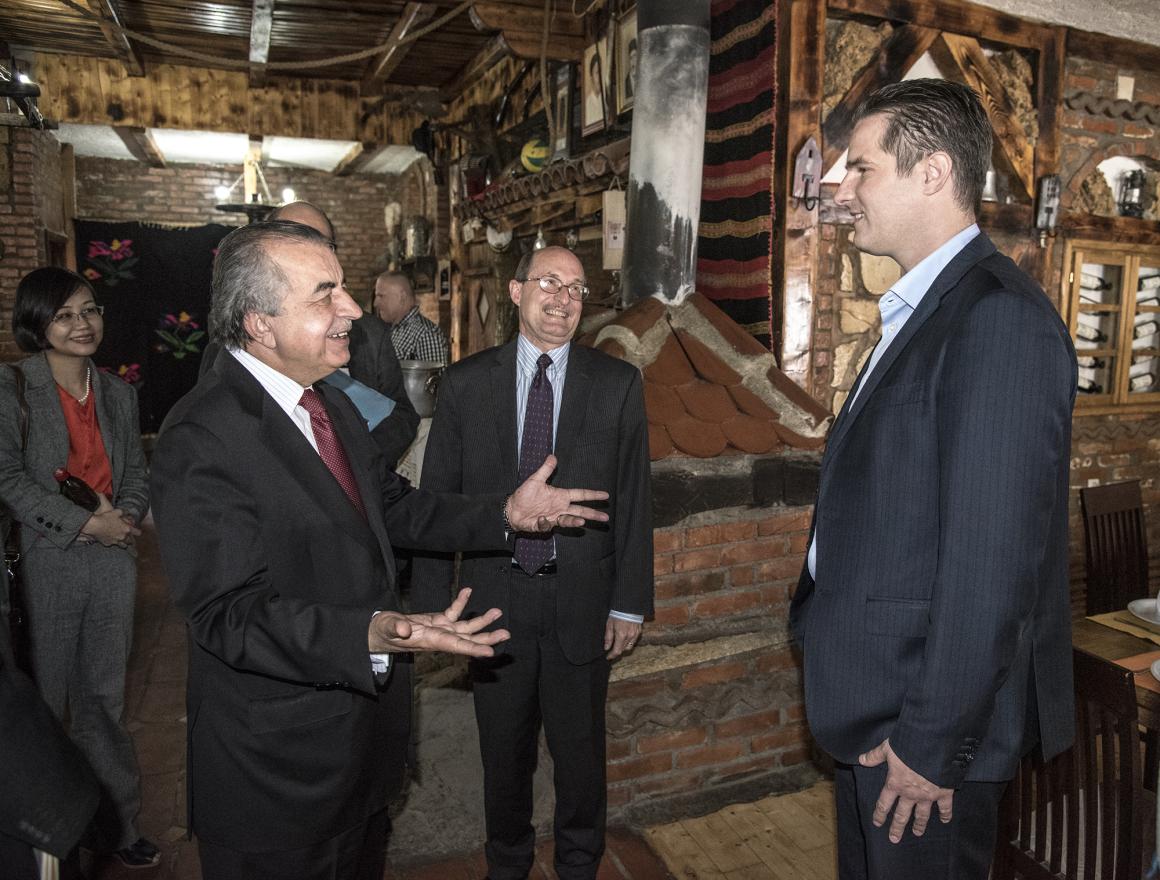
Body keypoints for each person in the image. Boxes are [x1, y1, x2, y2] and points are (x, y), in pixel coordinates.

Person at [149, 221, 610, 880]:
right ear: (259, 322)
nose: (355, 311)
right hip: (281, 778)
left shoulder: (326, 403)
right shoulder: (204, 435)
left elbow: (395, 506)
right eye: (325, 294)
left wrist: (507, 515)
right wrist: (376, 631)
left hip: (359, 751)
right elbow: (227, 614)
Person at [789, 79, 1076, 880]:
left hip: (918, 729)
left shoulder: (998, 319)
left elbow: (993, 561)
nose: (842, 189)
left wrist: (932, 741)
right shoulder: (925, 307)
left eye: (862, 168)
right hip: (874, 704)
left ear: (933, 173)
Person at [411, 245, 653, 880]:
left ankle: (579, 866)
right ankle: (507, 865)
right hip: (497, 600)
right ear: (515, 291)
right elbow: (436, 503)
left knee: (580, 759)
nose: (563, 299)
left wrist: (629, 601)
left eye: (576, 289)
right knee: (504, 756)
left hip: (582, 602)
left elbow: (633, 499)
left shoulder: (616, 384)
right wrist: (432, 610)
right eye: (549, 282)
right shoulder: (465, 384)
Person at [0, 267, 157, 869]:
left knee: (103, 704)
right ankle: (45, 837)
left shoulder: (119, 393)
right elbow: (8, 477)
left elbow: (136, 473)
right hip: (47, 560)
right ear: (37, 325)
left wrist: (125, 518)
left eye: (89, 310)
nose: (81, 324)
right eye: (64, 314)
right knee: (45, 703)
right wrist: (86, 523)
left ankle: (118, 825)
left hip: (113, 561)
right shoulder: (13, 388)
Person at [202, 201, 421, 465]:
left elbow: (402, 416)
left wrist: (356, 464)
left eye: (323, 243)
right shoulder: (207, 430)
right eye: (295, 237)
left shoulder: (370, 334)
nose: (353, 310)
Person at [373, 272, 449, 366]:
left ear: (402, 297)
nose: (375, 303)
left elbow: (436, 379)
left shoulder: (426, 334)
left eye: (381, 296)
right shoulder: (395, 328)